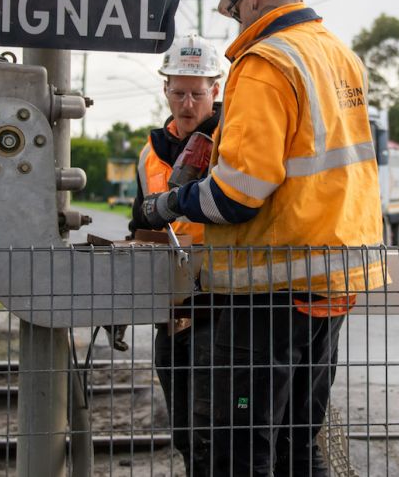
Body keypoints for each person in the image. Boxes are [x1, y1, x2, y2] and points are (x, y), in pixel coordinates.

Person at [141, 0, 387, 476]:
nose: (236, 24)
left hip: (271, 290)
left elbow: (238, 194)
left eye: (235, 12)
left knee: (240, 450)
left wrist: (167, 205)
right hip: (336, 276)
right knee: (299, 444)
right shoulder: (338, 54)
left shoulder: (263, 62)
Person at [129, 33, 223, 475]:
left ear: (216, 91)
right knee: (184, 427)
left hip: (222, 302)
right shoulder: (150, 152)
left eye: (197, 93)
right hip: (170, 307)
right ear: (165, 89)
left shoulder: (232, 141)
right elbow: (141, 227)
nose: (187, 104)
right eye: (178, 92)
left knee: (216, 423)